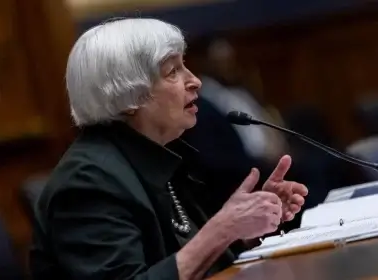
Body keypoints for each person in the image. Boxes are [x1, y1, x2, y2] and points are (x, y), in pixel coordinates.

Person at [29, 18, 308, 280]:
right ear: (128, 95)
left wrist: (246, 227)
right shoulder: (87, 183)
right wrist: (222, 228)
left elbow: (183, 260)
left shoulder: (155, 156)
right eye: (173, 71)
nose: (195, 80)